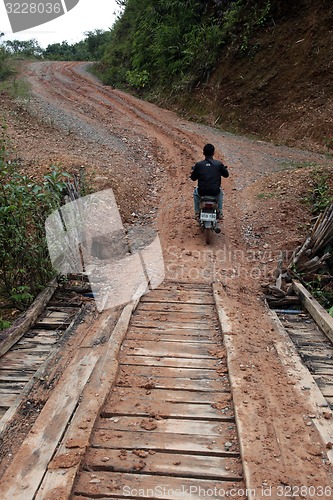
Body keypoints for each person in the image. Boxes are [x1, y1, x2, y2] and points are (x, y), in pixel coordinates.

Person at [190, 143, 229, 219]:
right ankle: (220, 211)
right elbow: (226, 175)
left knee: (195, 192)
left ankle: (197, 212)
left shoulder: (199, 165)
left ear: (203, 153)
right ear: (213, 153)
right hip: (215, 192)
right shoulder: (219, 164)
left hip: (202, 192)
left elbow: (193, 178)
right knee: (220, 192)